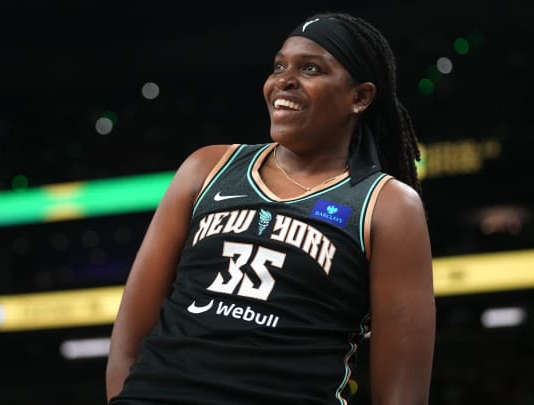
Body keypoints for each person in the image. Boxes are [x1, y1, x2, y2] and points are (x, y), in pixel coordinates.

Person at [106, 11, 435, 405]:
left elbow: (402, 395)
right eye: (279, 66)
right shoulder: (206, 168)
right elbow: (127, 342)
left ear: (360, 97)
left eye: (311, 68)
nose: (284, 81)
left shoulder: (387, 204)